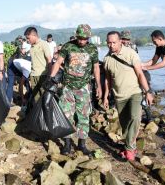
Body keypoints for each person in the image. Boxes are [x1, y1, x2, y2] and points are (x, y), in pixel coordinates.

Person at [49, 24, 102, 155]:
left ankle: (82, 144)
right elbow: (57, 62)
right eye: (80, 38)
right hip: (67, 87)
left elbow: (96, 68)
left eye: (85, 39)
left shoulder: (92, 49)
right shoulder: (68, 46)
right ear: (76, 35)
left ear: (89, 37)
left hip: (83, 88)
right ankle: (67, 144)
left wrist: (99, 85)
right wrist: (50, 78)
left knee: (83, 116)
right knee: (67, 115)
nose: (82, 41)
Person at [103, 31, 153, 161]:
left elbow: (140, 74)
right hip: (119, 96)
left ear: (120, 41)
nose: (111, 45)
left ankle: (130, 150)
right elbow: (108, 80)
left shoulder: (131, 54)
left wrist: (148, 91)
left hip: (134, 93)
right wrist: (105, 96)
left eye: (114, 42)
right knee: (125, 125)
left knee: (135, 118)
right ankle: (131, 145)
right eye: (109, 42)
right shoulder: (107, 59)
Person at [24, 27, 52, 105]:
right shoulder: (31, 47)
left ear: (34, 35)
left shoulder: (43, 44)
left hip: (43, 75)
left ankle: (45, 115)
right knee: (36, 99)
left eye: (28, 38)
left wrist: (49, 76)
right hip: (33, 75)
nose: (27, 40)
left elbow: (49, 60)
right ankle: (38, 116)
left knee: (45, 98)